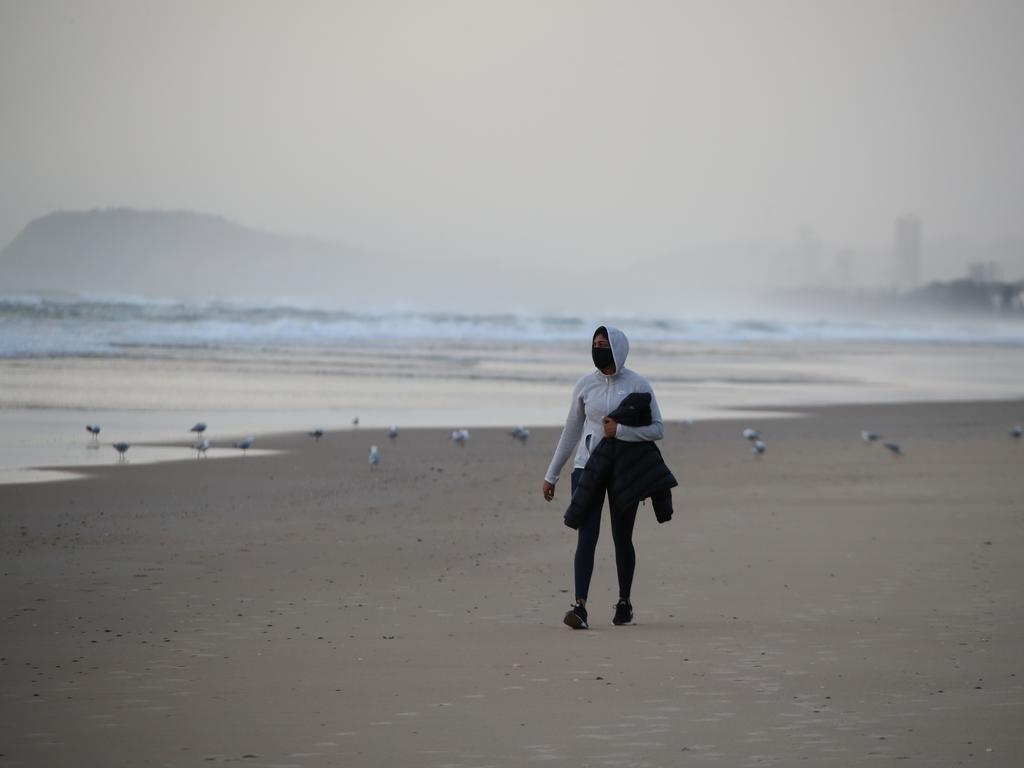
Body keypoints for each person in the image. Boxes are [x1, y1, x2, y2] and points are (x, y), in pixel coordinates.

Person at [542, 325, 664, 628]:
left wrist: (620, 431)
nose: (598, 348)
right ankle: (580, 607)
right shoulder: (585, 385)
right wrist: (552, 474)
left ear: (617, 349)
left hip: (624, 469)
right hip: (587, 467)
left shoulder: (638, 384)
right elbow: (571, 431)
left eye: (604, 344)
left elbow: (658, 428)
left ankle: (625, 604)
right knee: (587, 535)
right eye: (595, 343)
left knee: (622, 537)